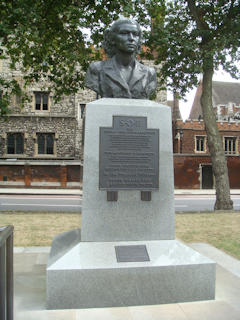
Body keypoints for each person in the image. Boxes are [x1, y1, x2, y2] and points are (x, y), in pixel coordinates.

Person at [85, 18, 156, 99]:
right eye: (124, 33)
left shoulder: (149, 73)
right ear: (112, 38)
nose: (131, 38)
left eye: (135, 34)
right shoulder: (96, 69)